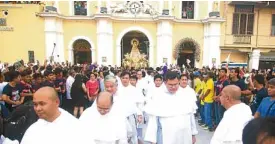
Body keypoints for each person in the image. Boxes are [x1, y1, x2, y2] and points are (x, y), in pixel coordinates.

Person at [144, 71, 198, 144]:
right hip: (166, 137)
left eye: (175, 84)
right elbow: (153, 120)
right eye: (170, 85)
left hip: (184, 135)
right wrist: (152, 139)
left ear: (178, 82)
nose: (173, 87)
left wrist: (193, 134)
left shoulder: (185, 95)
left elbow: (190, 116)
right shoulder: (158, 96)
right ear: (165, 83)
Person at [21, 87, 88, 144]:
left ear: (57, 102)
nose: (38, 108)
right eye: (35, 104)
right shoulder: (34, 128)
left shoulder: (74, 128)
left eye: (42, 104)